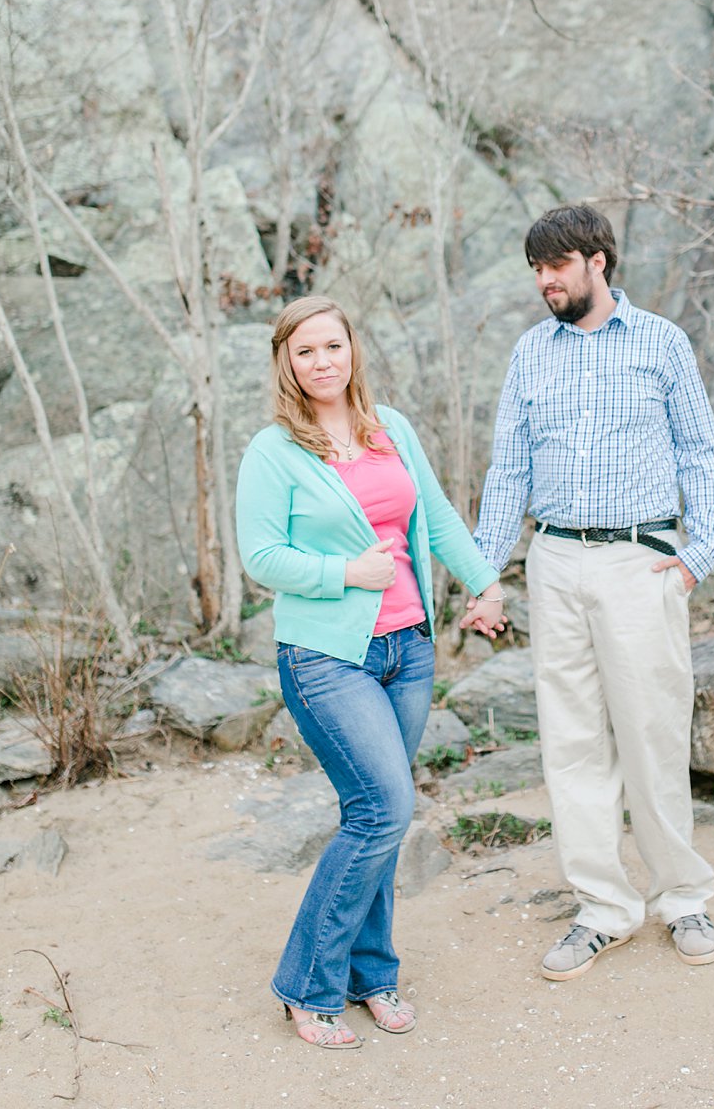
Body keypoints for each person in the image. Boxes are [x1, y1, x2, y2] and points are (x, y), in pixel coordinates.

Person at [235, 297, 507, 1050]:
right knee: (383, 808)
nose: (322, 362)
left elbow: (439, 518)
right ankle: (306, 986)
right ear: (286, 365)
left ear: (353, 348)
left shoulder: (392, 428)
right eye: (305, 352)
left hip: (408, 649)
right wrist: (344, 571)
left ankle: (371, 977)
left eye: (333, 345)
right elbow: (260, 556)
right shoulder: (273, 450)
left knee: (380, 821)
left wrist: (484, 584)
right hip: (326, 657)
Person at [470, 203, 714, 981]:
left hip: (640, 563)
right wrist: (487, 575)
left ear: (597, 262)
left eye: (556, 266)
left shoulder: (660, 344)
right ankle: (602, 909)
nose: (544, 281)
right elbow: (507, 471)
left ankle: (682, 898)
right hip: (554, 563)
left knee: (651, 736)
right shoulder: (530, 355)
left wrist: (696, 556)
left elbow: (702, 453)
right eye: (536, 270)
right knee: (572, 742)